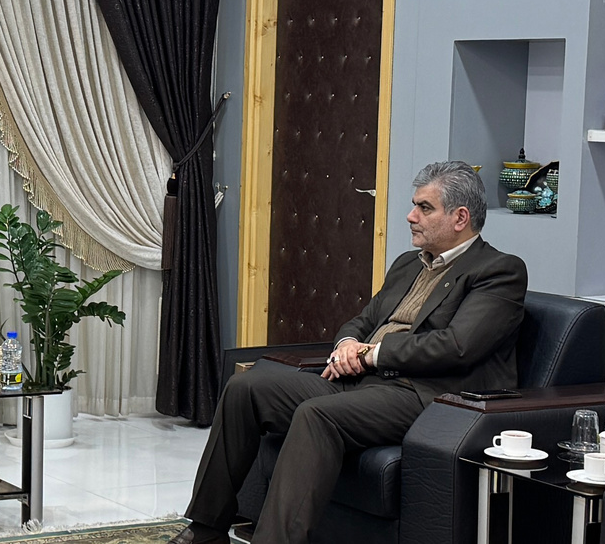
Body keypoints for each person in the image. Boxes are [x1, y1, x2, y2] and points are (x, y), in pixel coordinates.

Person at [169, 161, 527, 544]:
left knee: (317, 415)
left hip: (423, 394)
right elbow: (363, 319)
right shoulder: (409, 264)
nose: (411, 216)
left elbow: (457, 346)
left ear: (460, 218)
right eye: (414, 205)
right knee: (246, 389)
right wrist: (347, 345)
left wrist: (373, 354)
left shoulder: (498, 271)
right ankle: (206, 530)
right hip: (361, 381)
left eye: (425, 208)